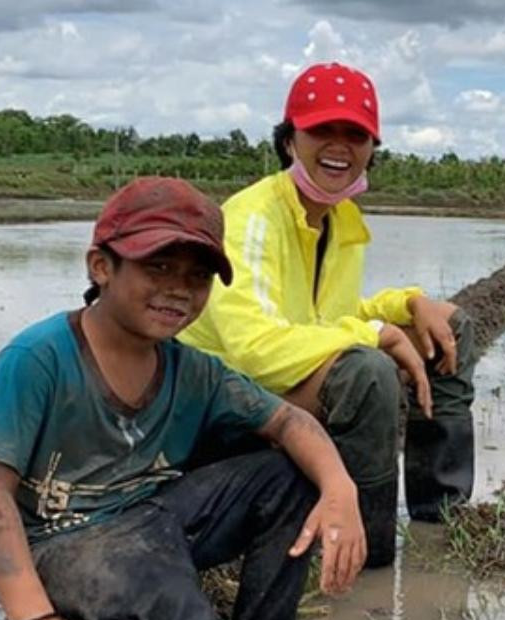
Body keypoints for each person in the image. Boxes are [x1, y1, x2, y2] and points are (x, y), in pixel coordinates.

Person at [0, 176, 373, 620]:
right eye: (159, 266)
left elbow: (290, 421)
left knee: (288, 475)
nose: (179, 290)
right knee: (157, 581)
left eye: (197, 276)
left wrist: (342, 491)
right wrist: (31, 619)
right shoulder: (40, 357)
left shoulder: (193, 370)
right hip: (64, 540)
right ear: (101, 265)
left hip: (153, 515)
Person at [180, 62, 477, 568]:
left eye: (355, 134)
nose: (339, 146)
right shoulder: (252, 219)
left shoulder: (339, 218)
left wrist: (405, 305)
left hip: (281, 378)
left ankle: (438, 514)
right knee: (368, 371)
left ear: (371, 149)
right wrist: (375, 333)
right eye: (322, 130)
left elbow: (327, 316)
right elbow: (253, 349)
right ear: (290, 139)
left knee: (449, 327)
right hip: (222, 400)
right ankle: (366, 552)